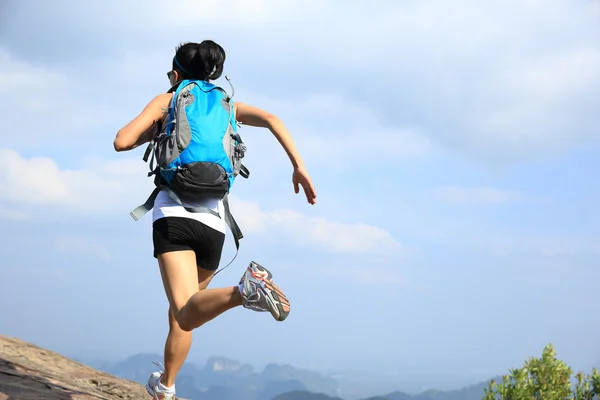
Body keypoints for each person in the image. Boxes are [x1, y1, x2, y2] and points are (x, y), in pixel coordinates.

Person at [113, 40, 317, 400]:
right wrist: (299, 167)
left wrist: (158, 123)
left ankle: (245, 291)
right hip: (214, 225)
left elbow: (122, 141)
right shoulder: (228, 104)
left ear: (176, 73)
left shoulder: (170, 99)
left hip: (173, 215)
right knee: (189, 310)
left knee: (185, 313)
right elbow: (272, 119)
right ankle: (166, 387)